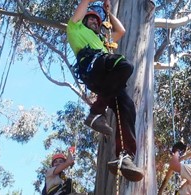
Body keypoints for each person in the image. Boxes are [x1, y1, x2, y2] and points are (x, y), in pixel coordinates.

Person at [66, 0, 144, 182]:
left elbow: (121, 31)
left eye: (98, 22)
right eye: (91, 20)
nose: (95, 22)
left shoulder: (103, 41)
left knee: (127, 106)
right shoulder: (75, 28)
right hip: (93, 66)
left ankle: (125, 157)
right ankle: (96, 112)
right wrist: (99, 4)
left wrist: (108, 14)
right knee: (124, 66)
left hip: (106, 80)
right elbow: (85, 4)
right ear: (83, 21)